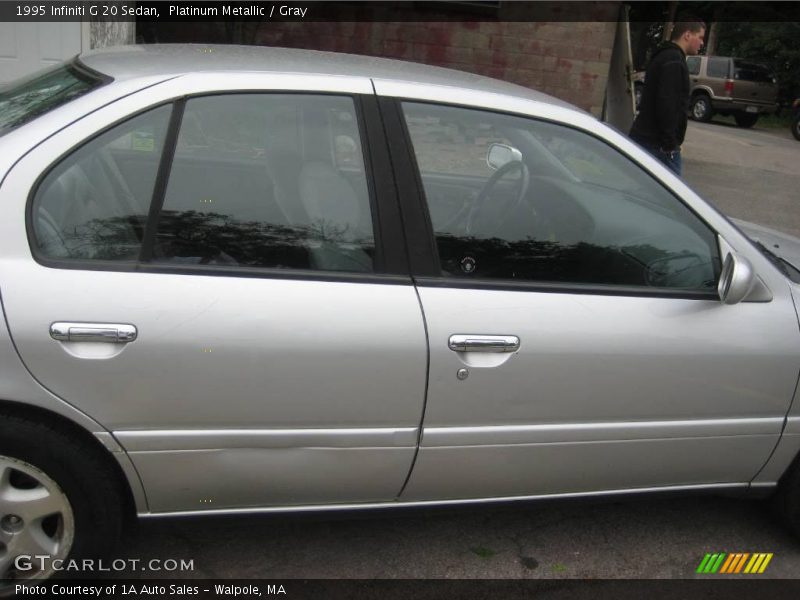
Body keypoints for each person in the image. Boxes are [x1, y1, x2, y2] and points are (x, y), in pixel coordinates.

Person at [630, 17, 706, 176]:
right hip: (657, 144)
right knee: (675, 196)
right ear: (687, 35)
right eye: (700, 37)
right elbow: (668, 103)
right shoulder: (673, 61)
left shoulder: (665, 56)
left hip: (649, 139)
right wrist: (670, 144)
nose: (702, 43)